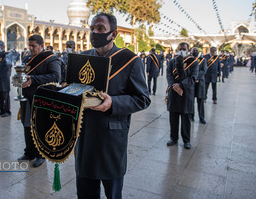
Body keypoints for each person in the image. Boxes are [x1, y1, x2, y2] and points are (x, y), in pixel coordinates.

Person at [74, 13, 150, 198]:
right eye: (92, 28)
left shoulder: (130, 60)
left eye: (100, 28)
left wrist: (113, 103)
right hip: (84, 137)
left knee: (113, 193)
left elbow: (142, 98)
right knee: (85, 192)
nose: (94, 32)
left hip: (111, 139)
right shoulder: (82, 58)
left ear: (113, 34)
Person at [18, 35, 61, 168]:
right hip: (27, 98)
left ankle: (41, 155)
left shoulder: (51, 59)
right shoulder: (27, 58)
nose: (30, 48)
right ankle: (29, 152)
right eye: (29, 45)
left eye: (34, 46)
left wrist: (33, 79)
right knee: (27, 125)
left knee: (40, 127)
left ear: (42, 45)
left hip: (42, 99)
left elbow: (55, 76)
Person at [166, 42, 198, 150]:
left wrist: (180, 85)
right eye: (180, 48)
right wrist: (174, 86)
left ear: (188, 50)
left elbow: (193, 78)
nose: (182, 50)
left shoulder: (193, 63)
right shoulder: (171, 62)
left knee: (186, 119)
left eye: (184, 49)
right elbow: (169, 75)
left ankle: (186, 140)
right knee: (173, 118)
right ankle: (173, 138)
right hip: (174, 93)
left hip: (186, 93)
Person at [0, 41, 12, 117]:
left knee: (5, 95)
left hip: (4, 79)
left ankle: (7, 110)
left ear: (3, 47)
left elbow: (6, 68)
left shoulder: (7, 55)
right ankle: (1, 110)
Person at [190, 47, 207, 124]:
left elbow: (204, 70)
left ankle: (201, 117)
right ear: (191, 52)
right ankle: (191, 116)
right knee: (191, 101)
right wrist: (193, 78)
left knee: (200, 102)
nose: (195, 52)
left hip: (200, 82)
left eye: (196, 51)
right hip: (191, 83)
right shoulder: (189, 60)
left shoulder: (203, 60)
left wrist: (196, 77)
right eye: (194, 51)